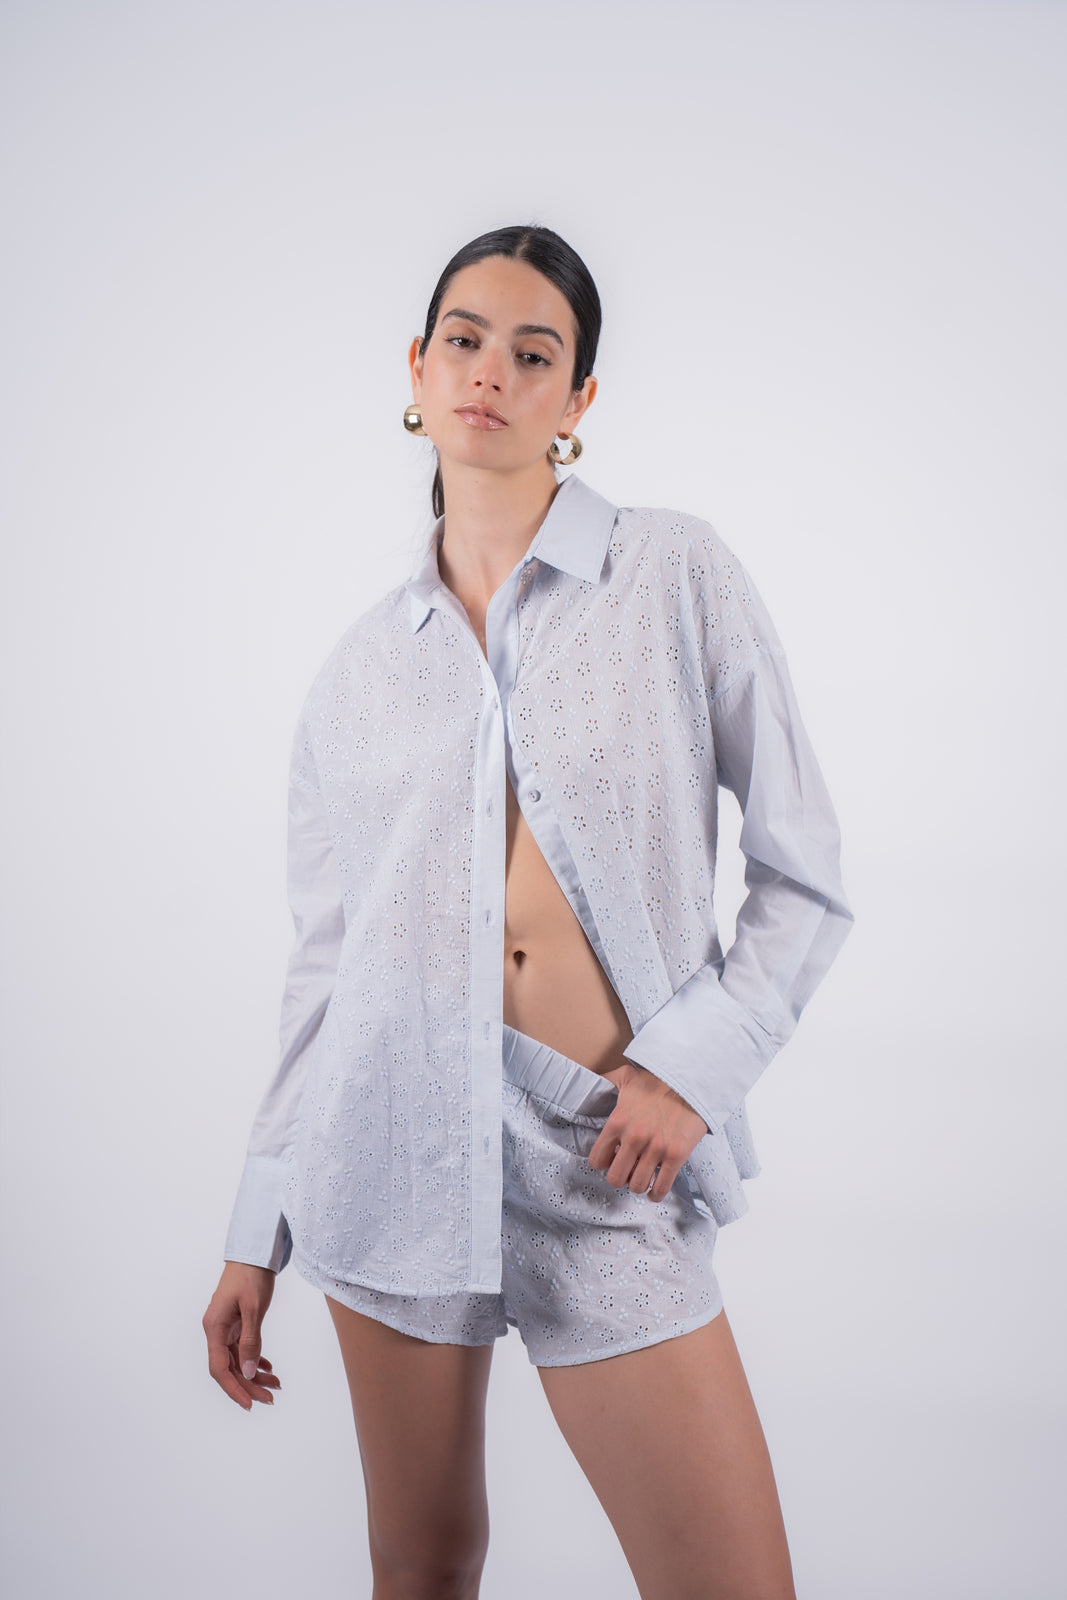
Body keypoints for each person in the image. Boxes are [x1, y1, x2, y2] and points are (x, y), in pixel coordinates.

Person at [202, 222, 854, 1600]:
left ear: (577, 397)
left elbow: (803, 874)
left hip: (606, 1148)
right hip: (390, 1142)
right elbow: (324, 971)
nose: (490, 370)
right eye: (464, 339)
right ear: (418, 370)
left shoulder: (674, 574)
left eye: (533, 351)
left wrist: (692, 1070)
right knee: (423, 1567)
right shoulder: (357, 674)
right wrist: (256, 1227)